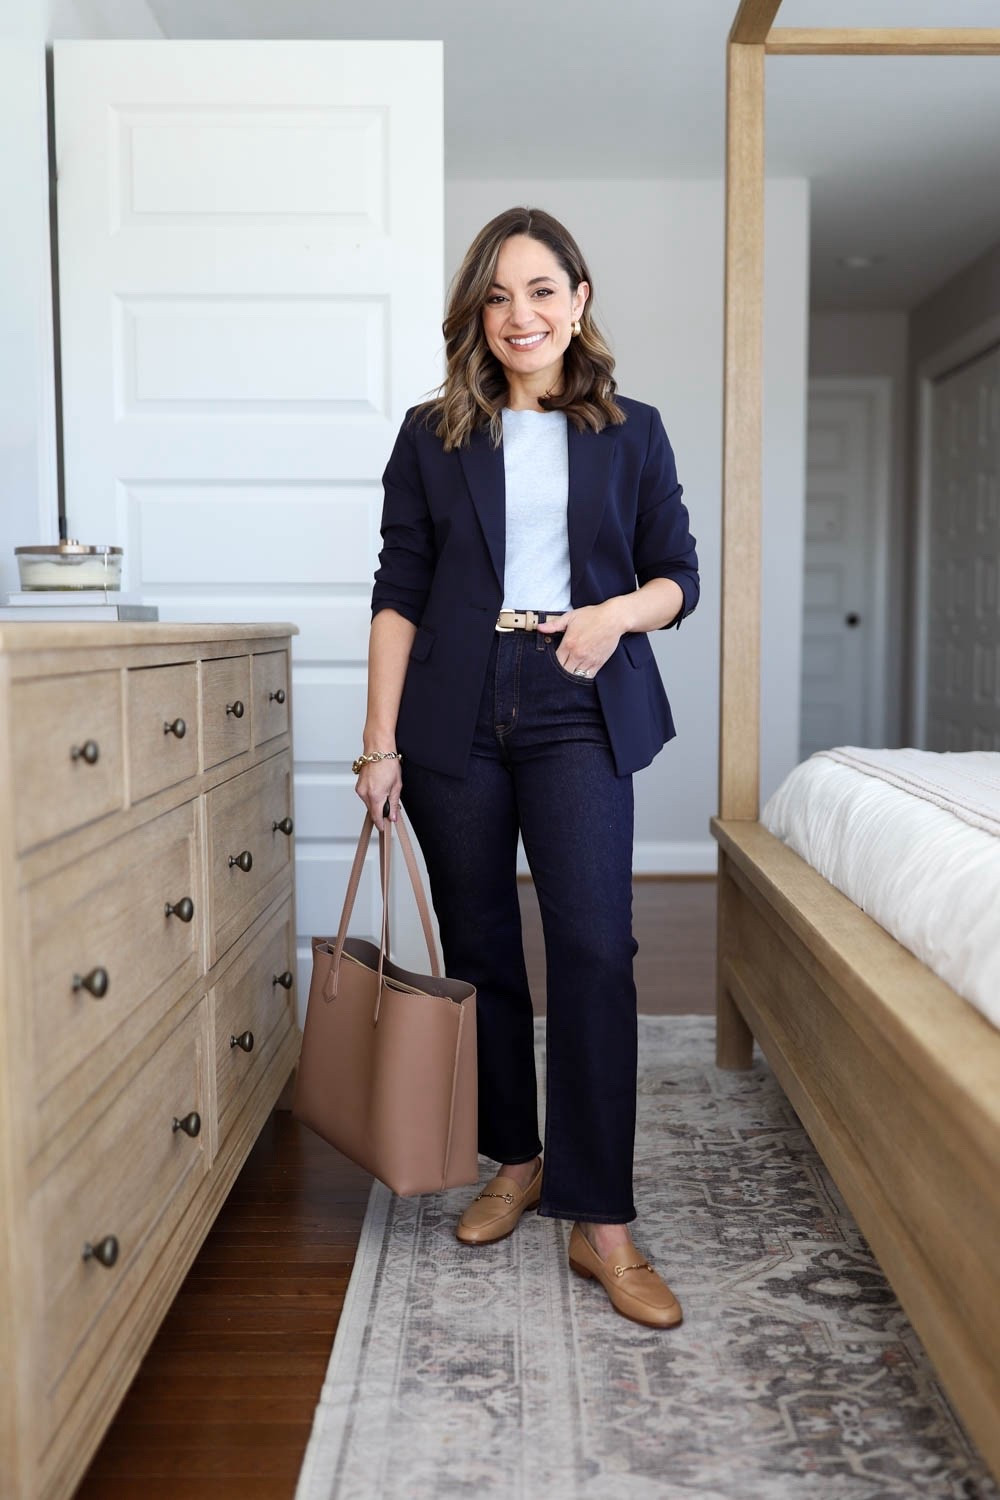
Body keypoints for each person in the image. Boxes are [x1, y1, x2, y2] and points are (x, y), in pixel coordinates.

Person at [354, 206, 699, 1329]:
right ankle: (517, 1158)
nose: (520, 315)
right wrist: (379, 744)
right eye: (499, 296)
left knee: (596, 951)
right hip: (457, 706)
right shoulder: (431, 434)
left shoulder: (632, 431)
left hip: (578, 697)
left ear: (579, 300)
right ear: (476, 313)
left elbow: (677, 576)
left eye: (541, 290)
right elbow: (397, 591)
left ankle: (603, 1223)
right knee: (484, 952)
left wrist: (611, 616)